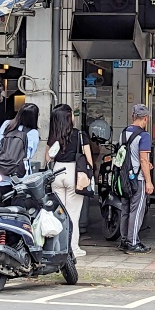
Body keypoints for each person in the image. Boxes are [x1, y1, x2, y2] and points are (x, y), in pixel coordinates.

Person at [47, 103, 93, 258]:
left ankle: (58, 246)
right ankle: (73, 247)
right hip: (74, 172)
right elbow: (89, 159)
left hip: (57, 172)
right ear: (68, 117)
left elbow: (48, 158)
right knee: (73, 213)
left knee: (59, 212)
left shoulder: (54, 136)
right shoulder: (80, 135)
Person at [119, 104, 154, 254]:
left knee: (125, 209)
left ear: (132, 116)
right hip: (137, 178)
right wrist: (149, 181)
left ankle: (124, 240)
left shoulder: (123, 133)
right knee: (137, 210)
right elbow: (143, 160)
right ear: (145, 118)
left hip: (124, 177)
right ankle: (133, 242)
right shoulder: (144, 136)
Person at [0, 103, 40, 176]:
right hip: (20, 172)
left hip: (2, 167)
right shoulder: (33, 132)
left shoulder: (7, 124)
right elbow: (29, 154)